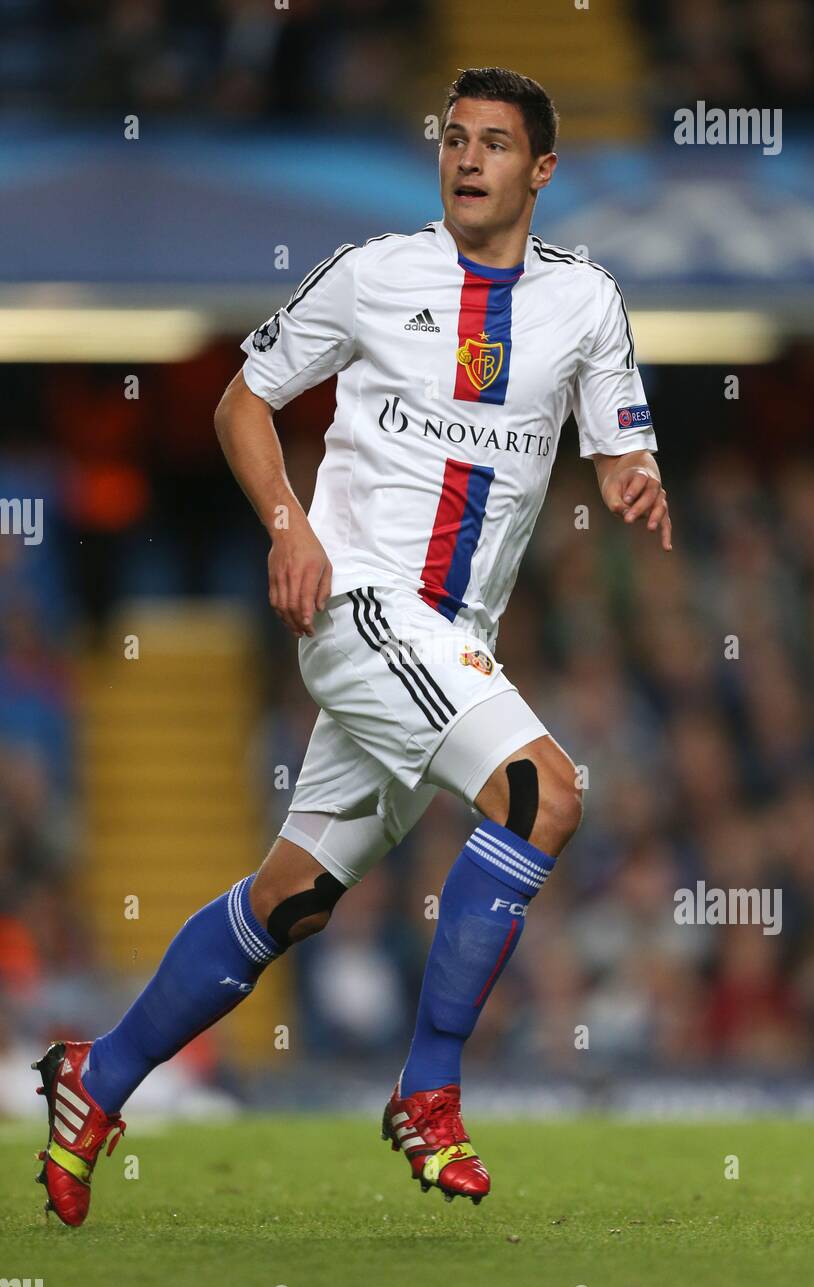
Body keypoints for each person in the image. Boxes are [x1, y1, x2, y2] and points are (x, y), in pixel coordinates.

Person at [32, 66, 671, 1225]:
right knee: (540, 793)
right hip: (361, 604)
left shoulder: (585, 301)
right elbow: (243, 400)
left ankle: (97, 1075)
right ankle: (428, 1087)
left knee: (291, 900)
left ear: (541, 171)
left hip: (451, 635)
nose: (467, 159)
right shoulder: (375, 274)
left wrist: (631, 472)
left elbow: (619, 432)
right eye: (453, 139)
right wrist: (290, 525)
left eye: (492, 143)